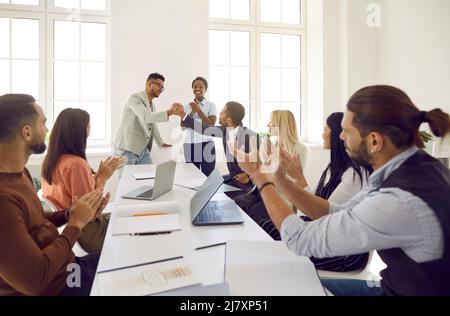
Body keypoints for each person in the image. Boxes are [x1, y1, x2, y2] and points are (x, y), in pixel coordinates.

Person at [232, 85, 450, 296]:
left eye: (346, 131)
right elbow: (336, 211)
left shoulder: (400, 199)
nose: (341, 136)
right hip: (393, 286)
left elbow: (301, 240)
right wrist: (278, 179)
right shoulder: (411, 169)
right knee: (292, 282)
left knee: (285, 286)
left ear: (374, 141)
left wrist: (260, 177)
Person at [0, 94, 109, 296]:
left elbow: (37, 219)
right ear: (27, 132)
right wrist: (75, 224)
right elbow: (35, 280)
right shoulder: (3, 199)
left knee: (131, 257)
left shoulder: (21, 173)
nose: (48, 130)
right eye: (43, 123)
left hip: (68, 268)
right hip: (60, 287)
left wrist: (69, 213)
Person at [256, 112, 373, 272]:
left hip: (344, 251)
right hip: (329, 231)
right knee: (266, 225)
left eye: (326, 128)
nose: (323, 132)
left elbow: (323, 215)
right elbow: (318, 206)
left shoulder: (354, 174)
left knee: (274, 233)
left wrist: (279, 178)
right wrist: (296, 176)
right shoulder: (333, 167)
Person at [41, 108, 124, 254]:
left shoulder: (51, 161)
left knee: (124, 214)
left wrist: (97, 175)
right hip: (90, 233)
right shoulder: (76, 164)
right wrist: (103, 178)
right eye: (88, 126)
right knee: (133, 222)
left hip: (76, 229)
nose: (90, 130)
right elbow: (90, 213)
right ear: (79, 131)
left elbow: (71, 191)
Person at [181, 101, 259, 192]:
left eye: (222, 112)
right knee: (205, 187)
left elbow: (264, 163)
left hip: (247, 186)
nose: (219, 113)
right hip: (233, 178)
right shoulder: (224, 130)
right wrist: (183, 115)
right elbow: (203, 129)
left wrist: (248, 176)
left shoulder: (250, 136)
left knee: (211, 193)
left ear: (229, 120)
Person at [113, 73, 185, 169]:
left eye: (163, 87)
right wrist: (170, 112)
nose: (161, 89)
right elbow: (146, 117)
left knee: (148, 178)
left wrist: (161, 143)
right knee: (125, 181)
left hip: (142, 150)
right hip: (126, 148)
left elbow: (152, 125)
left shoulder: (152, 106)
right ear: (148, 84)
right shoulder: (134, 98)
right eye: (159, 85)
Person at [181, 77, 217, 176]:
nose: (198, 89)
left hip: (206, 145)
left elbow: (210, 124)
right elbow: (183, 126)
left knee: (208, 176)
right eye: (195, 87)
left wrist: (198, 110)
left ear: (205, 89)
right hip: (190, 145)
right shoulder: (187, 106)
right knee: (191, 177)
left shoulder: (211, 105)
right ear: (192, 88)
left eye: (201, 87)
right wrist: (192, 111)